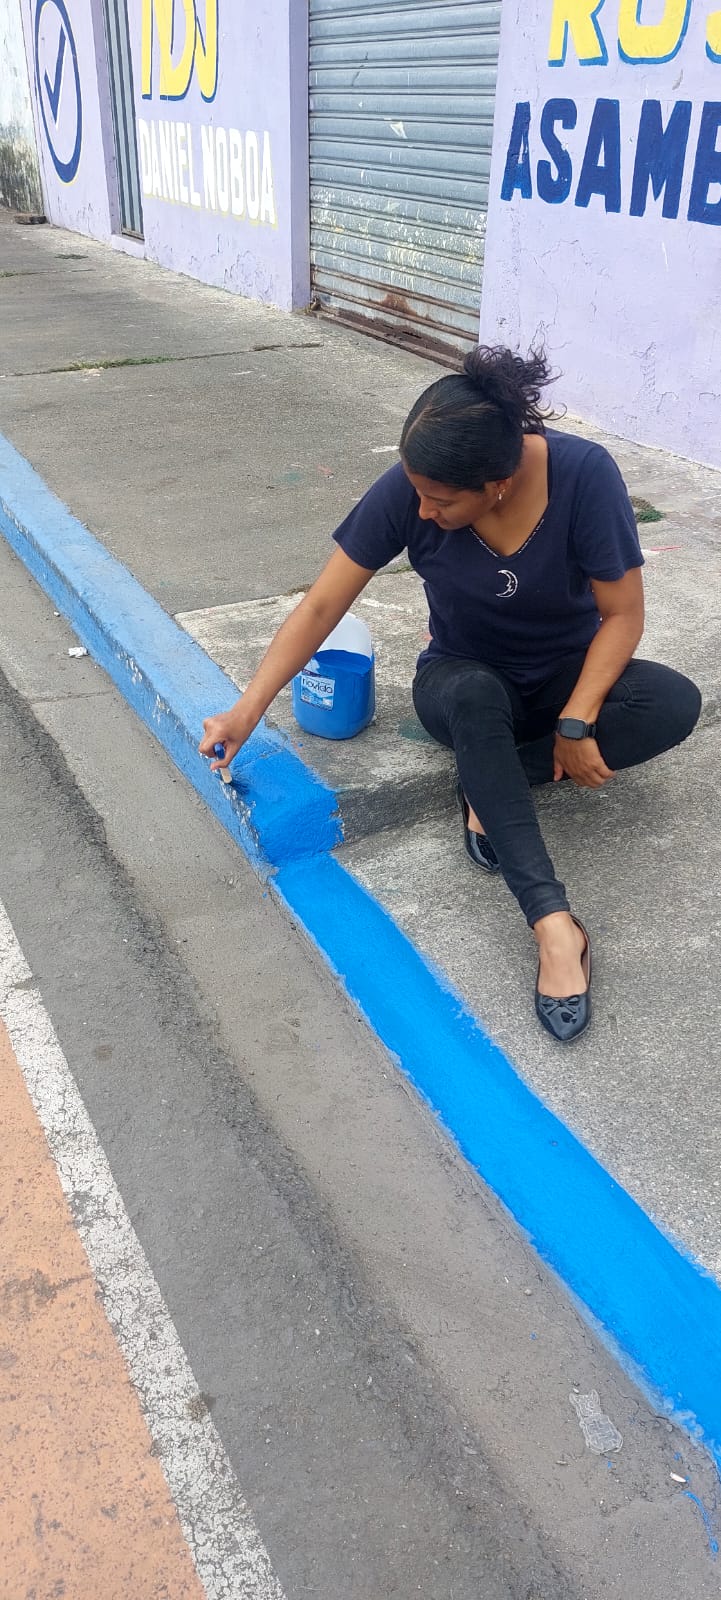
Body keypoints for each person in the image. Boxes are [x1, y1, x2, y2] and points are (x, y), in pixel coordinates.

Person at [200, 347, 701, 1042]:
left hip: (563, 676)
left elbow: (622, 615)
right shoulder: (411, 490)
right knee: (473, 697)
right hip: (460, 680)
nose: (423, 510)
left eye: (441, 501)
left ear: (497, 485)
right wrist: (245, 711)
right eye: (418, 493)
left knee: (672, 703)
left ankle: (488, 779)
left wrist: (577, 720)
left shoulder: (584, 476)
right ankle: (554, 925)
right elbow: (320, 607)